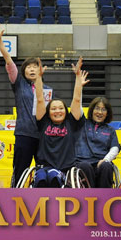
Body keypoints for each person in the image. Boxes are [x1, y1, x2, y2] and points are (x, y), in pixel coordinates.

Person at [0, 23, 53, 187]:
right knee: (20, 172)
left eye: (35, 67)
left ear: (40, 70)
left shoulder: (47, 90)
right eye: (29, 67)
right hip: (24, 134)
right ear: (24, 71)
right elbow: (10, 62)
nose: (32, 69)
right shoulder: (19, 84)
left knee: (43, 172)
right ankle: (16, 199)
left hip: (44, 136)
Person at [31, 60, 87, 188]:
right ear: (48, 112)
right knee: (41, 178)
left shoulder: (71, 123)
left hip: (64, 169)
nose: (57, 111)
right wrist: (39, 78)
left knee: (53, 176)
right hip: (43, 167)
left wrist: (78, 77)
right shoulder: (43, 122)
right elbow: (40, 99)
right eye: (53, 108)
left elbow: (77, 99)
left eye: (61, 108)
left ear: (65, 110)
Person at [74, 95, 120, 188]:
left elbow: (115, 148)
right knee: (85, 166)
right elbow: (77, 103)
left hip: (101, 162)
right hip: (83, 162)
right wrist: (79, 85)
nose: (100, 112)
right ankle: (89, 196)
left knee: (106, 166)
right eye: (97, 108)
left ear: (107, 113)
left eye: (103, 109)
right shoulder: (81, 123)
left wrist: (105, 160)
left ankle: (105, 198)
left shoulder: (110, 130)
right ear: (91, 110)